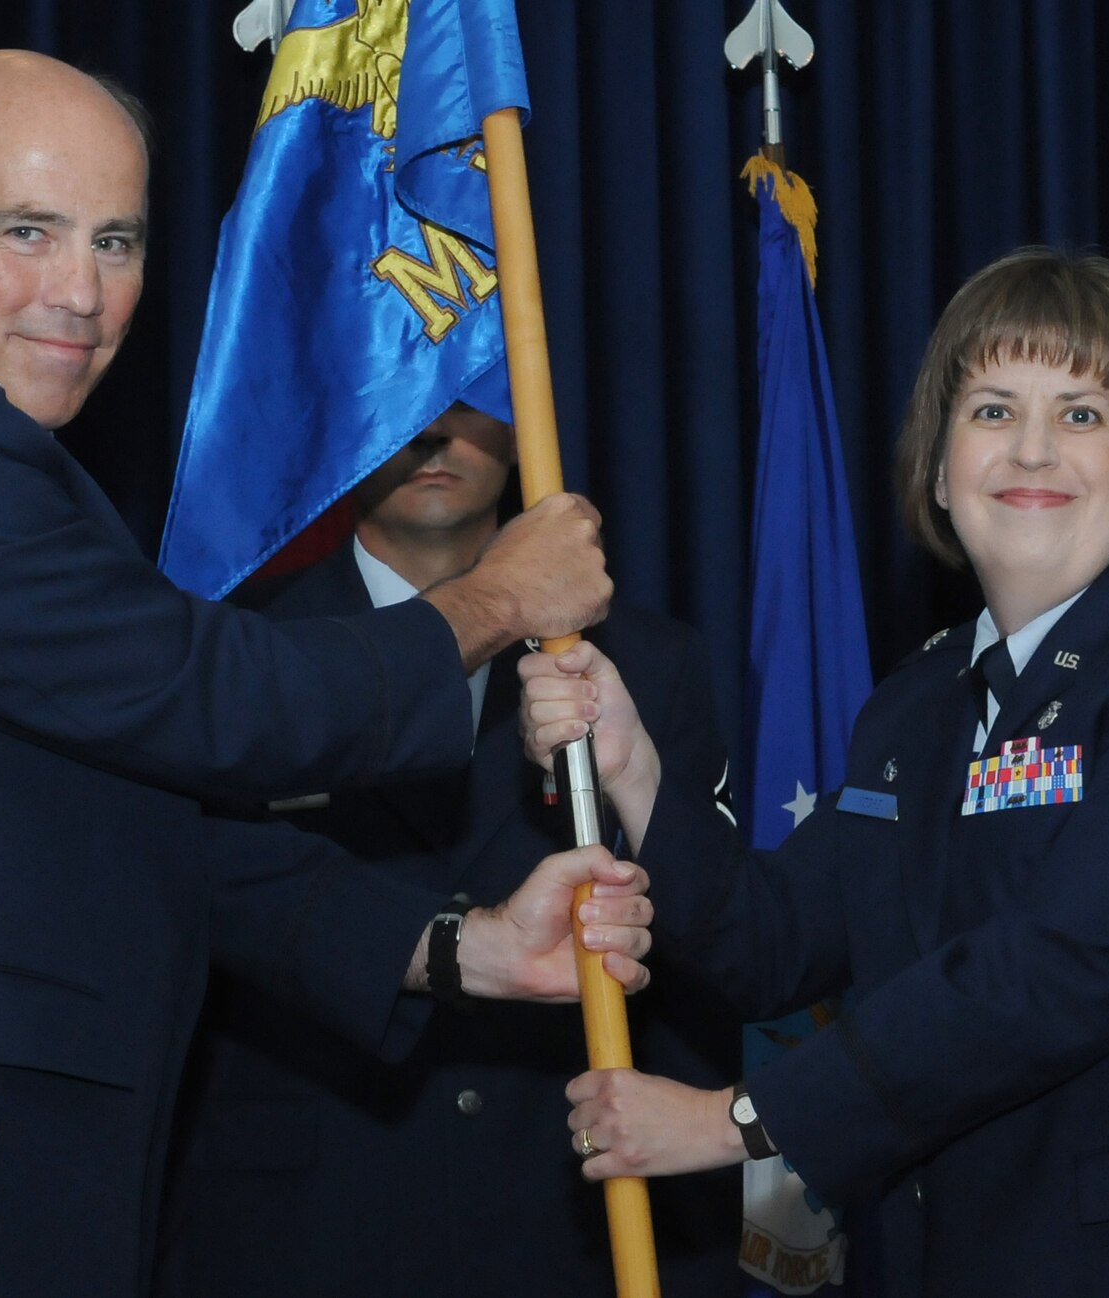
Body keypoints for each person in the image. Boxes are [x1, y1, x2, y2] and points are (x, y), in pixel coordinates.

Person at [0, 51, 654, 1298]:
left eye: (115, 240)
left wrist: (457, 946)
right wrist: (495, 599)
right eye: (27, 231)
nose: (81, 292)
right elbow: (215, 701)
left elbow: (139, 818)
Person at [524, 249, 1109, 1296]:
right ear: (938, 472)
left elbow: (1055, 965)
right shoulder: (915, 704)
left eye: (1080, 413)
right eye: (991, 409)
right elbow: (773, 940)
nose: (1031, 447)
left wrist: (740, 1119)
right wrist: (632, 765)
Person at [156, 404, 740, 1296]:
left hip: (574, 1215)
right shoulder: (237, 655)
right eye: (405, 402)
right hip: (309, 1220)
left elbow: (710, 947)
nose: (434, 436)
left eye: (467, 402)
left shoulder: (650, 664)